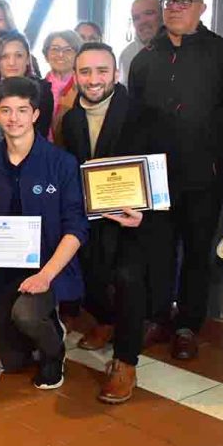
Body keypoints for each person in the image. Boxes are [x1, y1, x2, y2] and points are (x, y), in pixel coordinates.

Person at [128, 0, 223, 360]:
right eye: (169, 1)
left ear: (202, 8)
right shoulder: (145, 58)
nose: (175, 7)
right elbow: (134, 118)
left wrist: (211, 152)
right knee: (158, 251)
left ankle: (187, 325)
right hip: (156, 177)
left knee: (198, 252)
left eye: (185, 1)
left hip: (204, 175)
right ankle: (159, 317)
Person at [61, 43, 159, 403]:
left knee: (129, 277)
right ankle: (105, 320)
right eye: (85, 72)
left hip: (134, 218)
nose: (94, 79)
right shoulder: (71, 119)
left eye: (102, 70)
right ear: (76, 76)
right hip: (92, 215)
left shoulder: (142, 114)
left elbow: (159, 168)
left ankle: (125, 361)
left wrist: (144, 212)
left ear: (116, 73)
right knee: (88, 273)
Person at [0, 77, 88, 389]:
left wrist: (46, 275)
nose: (14, 119)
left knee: (26, 316)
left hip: (51, 266)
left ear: (36, 115)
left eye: (22, 110)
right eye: (6, 111)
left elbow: (77, 227)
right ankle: (39, 328)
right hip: (9, 269)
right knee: (12, 362)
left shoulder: (61, 164)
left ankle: (55, 351)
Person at [0, 31, 53, 137]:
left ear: (27, 59)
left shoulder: (42, 91)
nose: (12, 62)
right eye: (4, 56)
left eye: (18, 56)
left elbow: (40, 134)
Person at [42, 29, 82, 146]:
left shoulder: (83, 87)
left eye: (68, 50)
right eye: (55, 49)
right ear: (46, 55)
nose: (60, 55)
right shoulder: (36, 88)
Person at [118, 0, 162, 86]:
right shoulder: (127, 55)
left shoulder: (182, 49)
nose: (143, 21)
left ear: (163, 15)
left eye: (149, 13)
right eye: (136, 18)